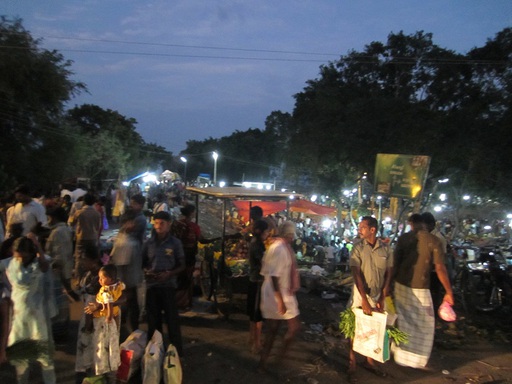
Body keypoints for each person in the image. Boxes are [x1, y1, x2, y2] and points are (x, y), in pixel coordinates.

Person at [392, 213, 454, 369]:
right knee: (425, 325)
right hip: (420, 287)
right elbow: (440, 268)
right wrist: (449, 291)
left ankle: (400, 354)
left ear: (411, 223)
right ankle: (416, 360)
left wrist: (387, 286)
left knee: (403, 321)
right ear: (427, 224)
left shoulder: (404, 238)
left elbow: (394, 264)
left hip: (400, 285)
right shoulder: (434, 241)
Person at [0, 234, 56, 383]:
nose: (20, 260)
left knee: (45, 360)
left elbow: (45, 266)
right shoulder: (9, 264)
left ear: (31, 253)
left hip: (37, 318)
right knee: (21, 361)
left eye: (23, 257)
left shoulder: (38, 263)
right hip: (19, 318)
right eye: (17, 257)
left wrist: (37, 245)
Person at [347, 216, 393, 382]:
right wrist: (364, 300)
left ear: (372, 230)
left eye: (363, 227)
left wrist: (383, 293)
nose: (359, 230)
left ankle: (369, 360)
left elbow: (389, 273)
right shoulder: (357, 248)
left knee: (375, 327)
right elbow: (356, 273)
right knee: (354, 326)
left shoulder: (386, 249)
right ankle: (352, 361)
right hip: (360, 294)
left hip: (378, 293)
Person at [259, 221, 301, 372]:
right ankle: (276, 360)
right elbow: (274, 276)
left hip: (278, 292)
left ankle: (266, 363)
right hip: (278, 294)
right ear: (288, 235)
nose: (292, 238)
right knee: (293, 327)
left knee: (273, 330)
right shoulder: (280, 249)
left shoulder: (278, 246)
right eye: (291, 235)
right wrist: (280, 301)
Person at [142, 211, 185, 356]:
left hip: (168, 286)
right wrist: (147, 272)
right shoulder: (148, 243)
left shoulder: (175, 243)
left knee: (172, 320)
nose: (159, 226)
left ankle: (176, 352)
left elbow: (181, 265)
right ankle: (154, 352)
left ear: (169, 225)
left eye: (162, 223)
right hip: (152, 286)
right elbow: (143, 263)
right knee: (153, 322)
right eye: (156, 223)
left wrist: (169, 274)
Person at [83, 264, 125, 382]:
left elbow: (112, 304)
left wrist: (107, 316)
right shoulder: (116, 286)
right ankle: (107, 374)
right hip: (104, 323)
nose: (99, 280)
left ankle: (106, 375)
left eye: (102, 278)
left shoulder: (107, 290)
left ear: (110, 279)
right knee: (106, 349)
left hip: (104, 323)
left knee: (105, 348)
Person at [109, 208, 143, 335]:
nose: (134, 225)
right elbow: (121, 266)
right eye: (132, 222)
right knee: (130, 311)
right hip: (127, 284)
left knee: (129, 311)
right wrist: (124, 288)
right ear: (126, 223)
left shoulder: (123, 238)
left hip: (129, 283)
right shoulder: (126, 242)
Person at [75, 245, 102, 383]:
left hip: (95, 319)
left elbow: (93, 301)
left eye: (85, 260)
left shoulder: (100, 278)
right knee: (85, 349)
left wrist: (88, 325)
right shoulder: (87, 276)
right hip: (86, 317)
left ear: (95, 260)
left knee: (91, 349)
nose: (82, 262)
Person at [171, 204, 201, 309]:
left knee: (178, 278)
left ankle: (175, 301)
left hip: (175, 256)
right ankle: (184, 303)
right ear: (191, 213)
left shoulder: (175, 224)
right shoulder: (193, 226)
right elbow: (200, 239)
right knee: (186, 279)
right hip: (188, 256)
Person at [247, 219, 270, 354]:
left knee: (253, 314)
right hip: (258, 282)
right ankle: (256, 344)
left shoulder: (255, 243)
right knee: (257, 315)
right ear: (261, 231)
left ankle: (251, 340)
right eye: (266, 231)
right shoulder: (258, 245)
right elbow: (264, 263)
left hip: (254, 281)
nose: (268, 234)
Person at [45, 207, 77, 300]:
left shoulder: (57, 232)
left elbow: (59, 253)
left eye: (49, 218)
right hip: (64, 266)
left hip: (58, 269)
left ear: (55, 218)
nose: (48, 221)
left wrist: (56, 266)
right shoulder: (65, 229)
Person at [69, 193, 101, 280]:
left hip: (81, 237)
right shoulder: (97, 213)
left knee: (79, 257)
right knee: (92, 258)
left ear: (84, 201)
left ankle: (78, 279)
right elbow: (98, 227)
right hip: (93, 238)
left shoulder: (79, 212)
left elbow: (71, 223)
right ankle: (92, 278)